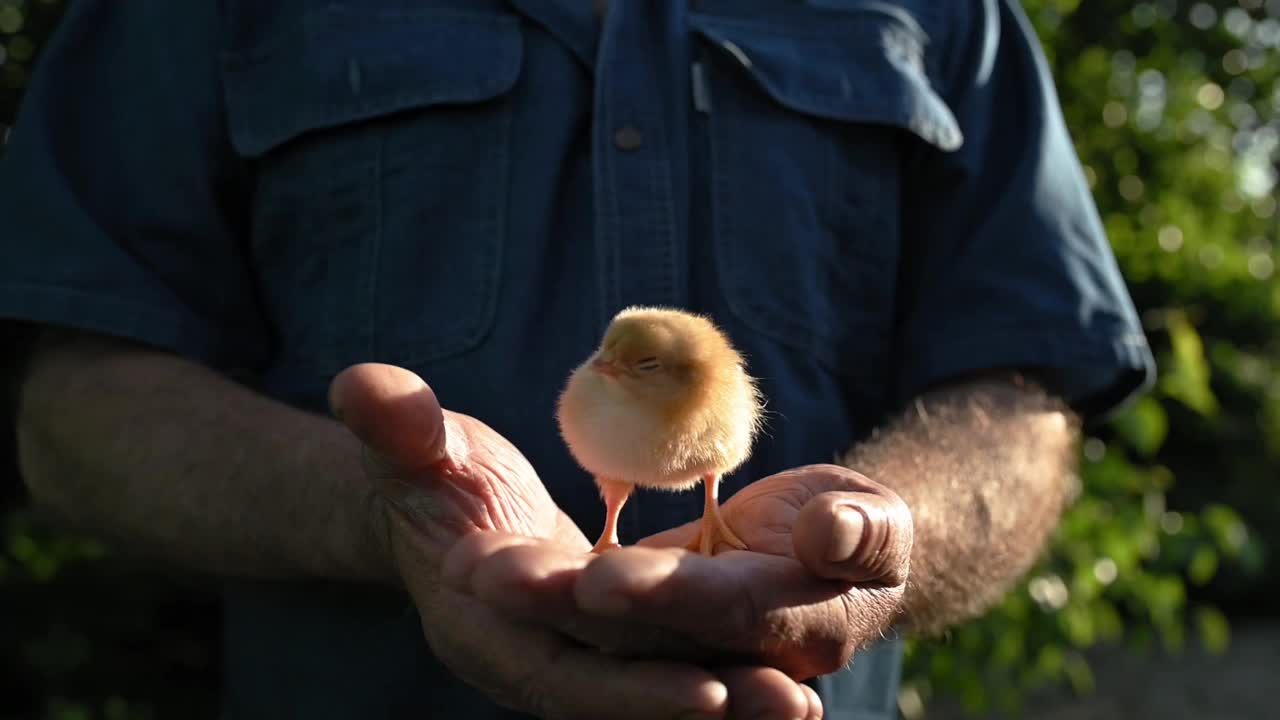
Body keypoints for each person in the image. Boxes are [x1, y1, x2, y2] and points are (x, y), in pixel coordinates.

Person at [0, 1, 1155, 718]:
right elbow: (80, 401)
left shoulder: (946, 12)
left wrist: (883, 532)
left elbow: (1017, 396)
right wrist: (384, 509)